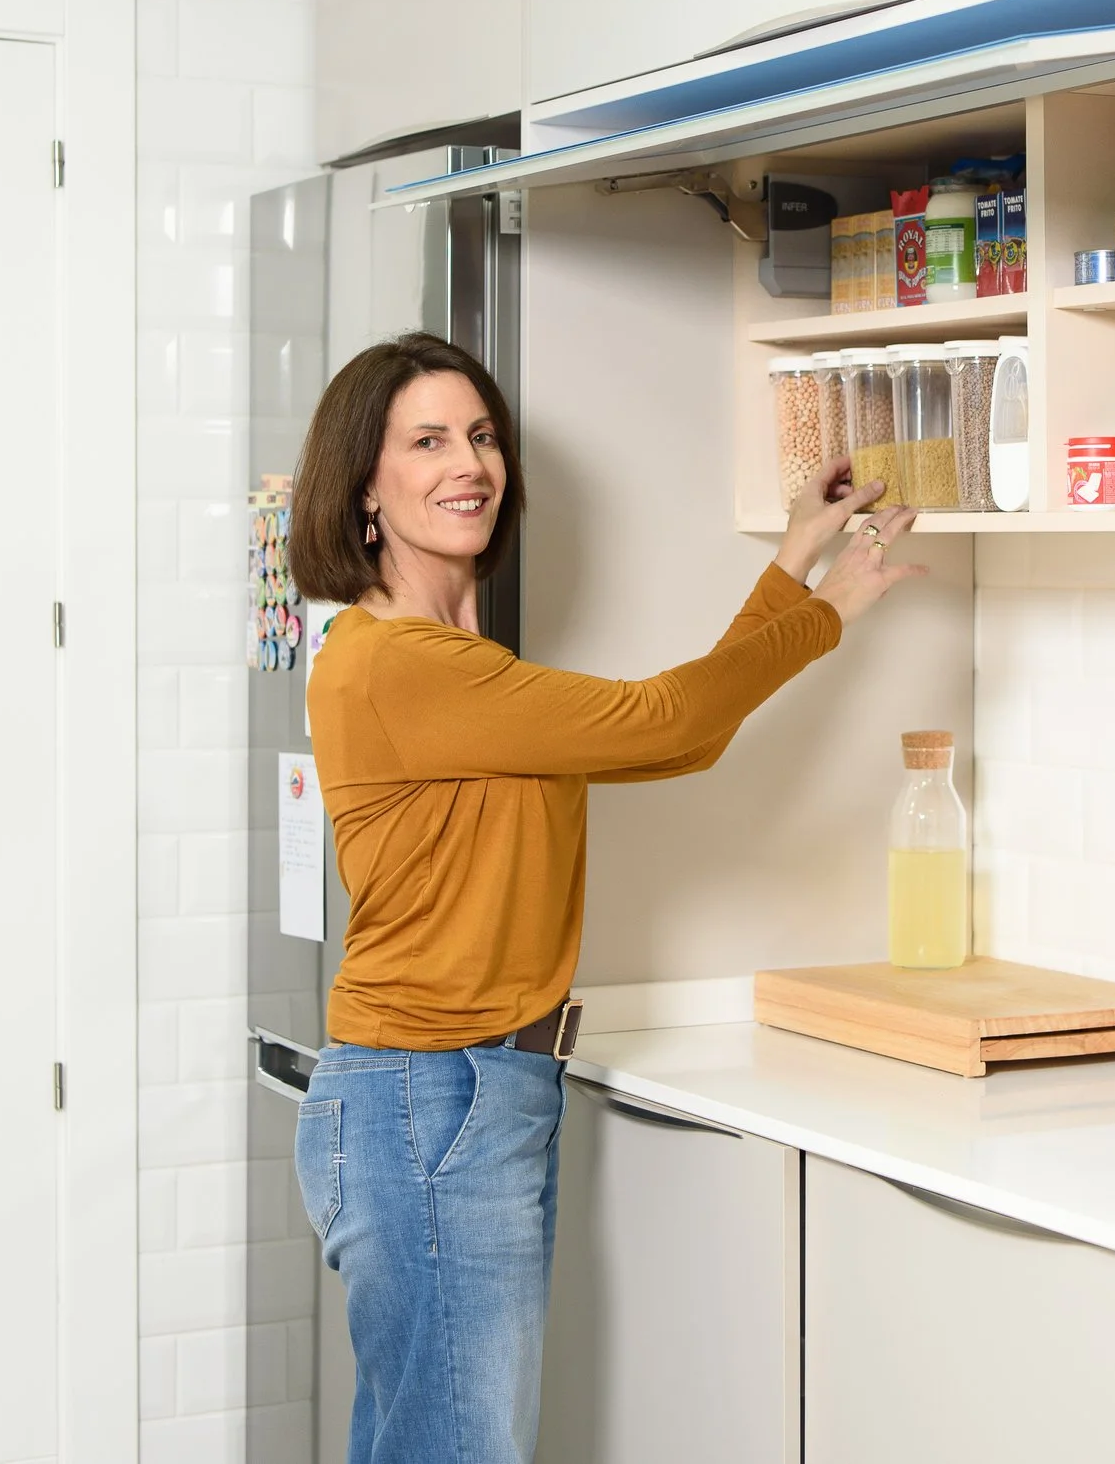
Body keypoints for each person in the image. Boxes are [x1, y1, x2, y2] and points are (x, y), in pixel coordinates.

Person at [285, 331, 922, 1464]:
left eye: (481, 435)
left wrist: (792, 562)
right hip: (431, 1094)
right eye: (427, 441)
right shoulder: (401, 664)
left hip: (467, 1090)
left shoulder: (459, 665)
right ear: (364, 488)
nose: (468, 463)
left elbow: (675, 737)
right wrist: (828, 605)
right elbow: (665, 720)